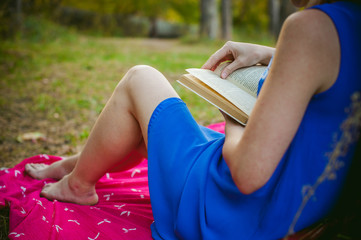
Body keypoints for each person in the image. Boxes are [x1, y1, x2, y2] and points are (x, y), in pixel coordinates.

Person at [24, 0, 361, 239]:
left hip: (235, 216)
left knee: (140, 79)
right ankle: (77, 163)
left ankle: (77, 185)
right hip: (300, 209)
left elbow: (246, 174)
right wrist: (271, 53)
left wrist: (232, 107)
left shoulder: (310, 28)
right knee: (156, 128)